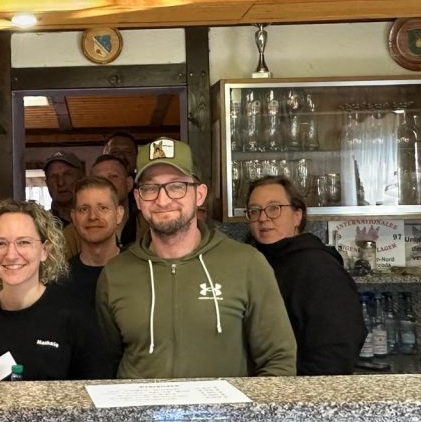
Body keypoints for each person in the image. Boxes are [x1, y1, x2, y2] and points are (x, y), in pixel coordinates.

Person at [97, 137, 296, 379]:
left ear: (199, 194)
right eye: (150, 188)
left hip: (224, 405)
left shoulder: (247, 263)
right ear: (138, 199)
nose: (162, 200)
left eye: (177, 186)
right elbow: (104, 363)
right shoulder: (115, 273)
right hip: (138, 405)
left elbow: (279, 360)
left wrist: (247, 406)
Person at [0, 200, 115, 381]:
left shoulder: (76, 317)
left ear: (45, 250)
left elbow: (96, 387)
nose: (11, 254)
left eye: (24, 242)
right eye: (0, 243)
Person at [246, 175, 366, 375]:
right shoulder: (252, 261)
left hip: (294, 387)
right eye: (255, 211)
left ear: (297, 216)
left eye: (274, 208)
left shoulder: (318, 267)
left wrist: (295, 388)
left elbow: (337, 351)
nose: (263, 218)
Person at [56, 177, 123, 308]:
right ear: (74, 217)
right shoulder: (59, 280)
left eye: (103, 208)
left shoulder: (140, 272)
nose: (92, 216)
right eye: (84, 209)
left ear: (119, 214)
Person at [90, 154, 144, 247]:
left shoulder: (148, 225)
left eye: (113, 176)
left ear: (129, 184)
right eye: (99, 179)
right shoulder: (77, 231)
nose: (106, 183)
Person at [42, 149, 84, 225]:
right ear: (47, 183)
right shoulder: (40, 225)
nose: (60, 183)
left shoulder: (93, 218)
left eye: (67, 174)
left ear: (80, 178)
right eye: (54, 177)